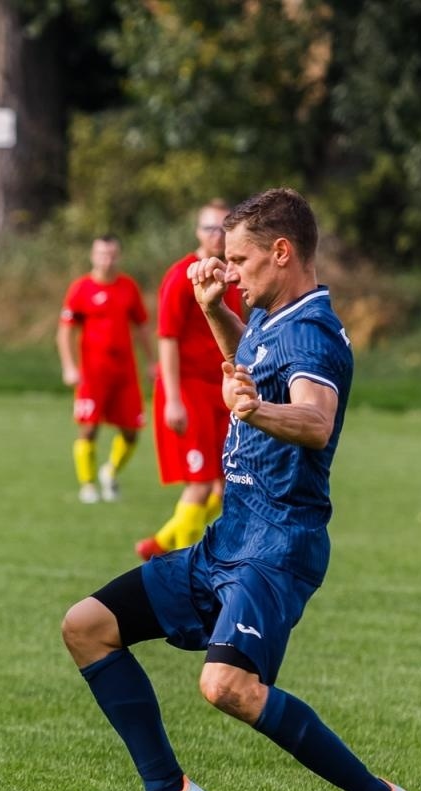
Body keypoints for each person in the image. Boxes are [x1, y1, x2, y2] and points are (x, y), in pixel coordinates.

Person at [60, 188, 413, 791]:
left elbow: (314, 419)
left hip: (277, 546)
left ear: (282, 253)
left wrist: (254, 414)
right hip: (229, 539)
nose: (230, 272)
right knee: (87, 627)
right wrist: (214, 311)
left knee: (228, 686)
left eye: (240, 262)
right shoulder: (269, 315)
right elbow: (249, 369)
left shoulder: (311, 332)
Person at [137, 200, 244, 560]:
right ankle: (183, 570)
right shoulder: (182, 276)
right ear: (197, 232)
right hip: (188, 389)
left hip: (222, 391)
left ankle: (161, 544)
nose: (217, 235)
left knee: (225, 486)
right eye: (209, 228)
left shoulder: (232, 277)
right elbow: (167, 338)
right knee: (198, 484)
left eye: (223, 228)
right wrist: (173, 400)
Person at [56, 234, 153, 503]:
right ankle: (87, 485)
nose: (107, 260)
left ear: (118, 256)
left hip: (125, 372)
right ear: (92, 256)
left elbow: (142, 326)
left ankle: (109, 471)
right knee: (89, 428)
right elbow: (64, 331)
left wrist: (151, 361)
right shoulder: (81, 288)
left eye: (111, 254)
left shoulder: (128, 287)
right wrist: (69, 366)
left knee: (132, 432)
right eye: (101, 254)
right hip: (93, 372)